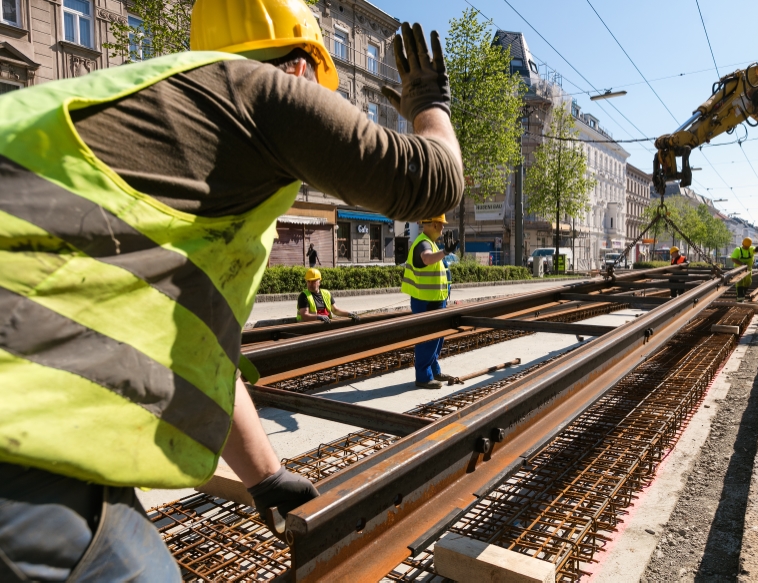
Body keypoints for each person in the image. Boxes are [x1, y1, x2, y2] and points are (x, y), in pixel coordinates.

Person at [0, 0, 463, 577]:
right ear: (299, 67)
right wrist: (429, 102)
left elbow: (201, 349)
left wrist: (265, 477)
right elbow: (434, 182)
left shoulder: (154, 121)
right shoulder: (260, 93)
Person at [401, 215, 457, 389]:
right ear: (434, 224)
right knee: (427, 339)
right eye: (441, 225)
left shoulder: (430, 243)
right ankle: (423, 377)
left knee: (436, 339)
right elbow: (426, 258)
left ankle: (434, 370)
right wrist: (445, 252)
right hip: (426, 302)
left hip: (434, 301)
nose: (442, 229)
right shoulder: (423, 243)